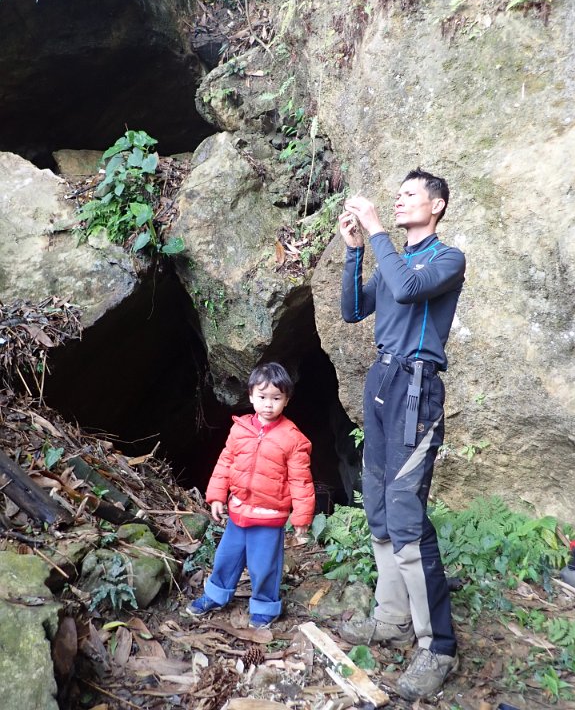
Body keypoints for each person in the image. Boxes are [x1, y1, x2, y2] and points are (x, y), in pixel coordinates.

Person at [337, 168, 466, 701]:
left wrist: (375, 231)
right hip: (382, 382)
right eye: (397, 194)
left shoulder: (446, 259)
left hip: (417, 390)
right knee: (378, 506)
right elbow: (352, 310)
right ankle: (392, 620)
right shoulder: (394, 260)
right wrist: (354, 251)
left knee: (407, 514)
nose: (398, 199)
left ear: (436, 206)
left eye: (410, 194)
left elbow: (410, 290)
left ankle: (439, 647)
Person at [186, 362, 315, 629]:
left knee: (264, 565)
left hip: (269, 515)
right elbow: (225, 463)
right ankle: (216, 594)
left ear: (287, 400)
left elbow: (301, 480)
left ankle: (265, 607)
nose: (268, 404)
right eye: (262, 396)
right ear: (251, 396)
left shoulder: (293, 439)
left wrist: (302, 518)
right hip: (238, 511)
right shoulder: (240, 429)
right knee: (226, 557)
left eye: (276, 398)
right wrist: (217, 495)